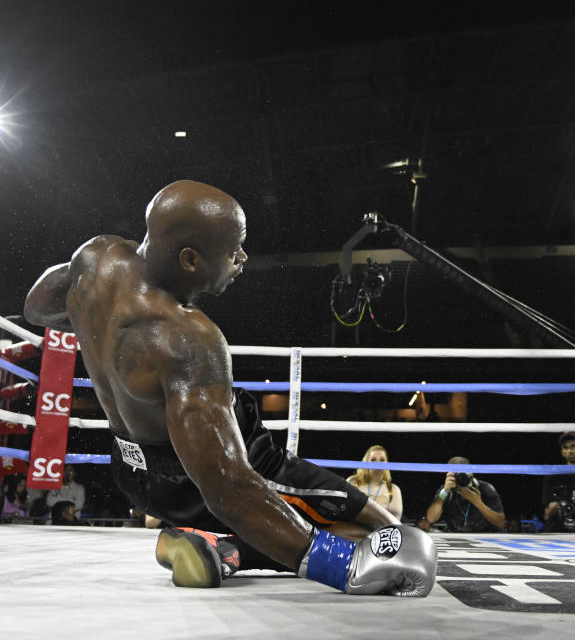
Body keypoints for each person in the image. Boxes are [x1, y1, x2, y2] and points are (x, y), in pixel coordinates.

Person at [23, 180, 436, 594]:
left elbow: (36, 306)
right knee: (388, 534)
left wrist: (100, 326)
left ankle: (216, 546)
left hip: (133, 470)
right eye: (233, 248)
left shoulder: (95, 258)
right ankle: (224, 546)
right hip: (215, 472)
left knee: (373, 531)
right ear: (189, 259)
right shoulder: (186, 339)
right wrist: (341, 568)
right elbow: (229, 484)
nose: (243, 257)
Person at [423, 456, 505, 532]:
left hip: (483, 535)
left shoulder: (485, 488)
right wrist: (445, 492)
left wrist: (477, 502)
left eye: (463, 474)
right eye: (457, 475)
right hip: (455, 535)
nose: (460, 478)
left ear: (471, 473)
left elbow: (500, 523)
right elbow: (431, 519)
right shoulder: (445, 490)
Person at [346, 445, 403, 519]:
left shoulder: (394, 489)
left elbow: (396, 521)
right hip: (354, 528)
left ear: (387, 463)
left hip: (381, 529)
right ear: (366, 462)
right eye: (373, 459)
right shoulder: (353, 482)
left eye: (382, 460)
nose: (378, 463)